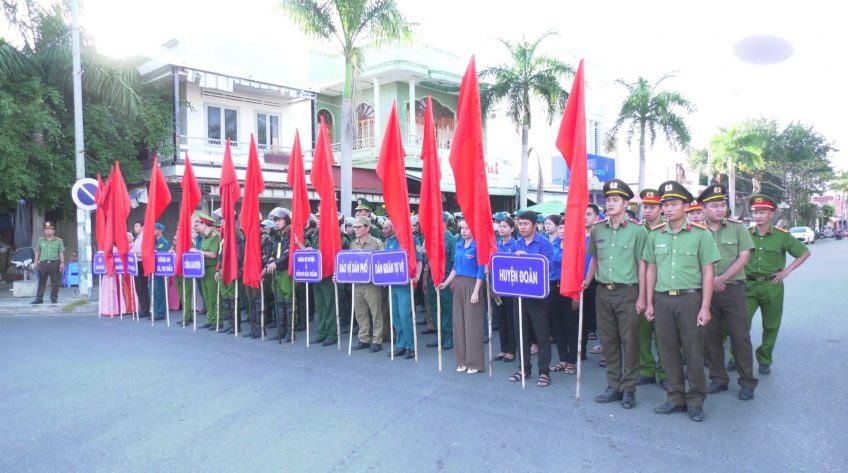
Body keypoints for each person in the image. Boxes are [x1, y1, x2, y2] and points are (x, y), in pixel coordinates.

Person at [643, 180, 721, 422]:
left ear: (686, 206)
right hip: (663, 299)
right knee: (667, 352)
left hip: (690, 300)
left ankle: (695, 400)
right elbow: (651, 270)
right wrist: (649, 302)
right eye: (665, 204)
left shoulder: (701, 234)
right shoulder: (656, 235)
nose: (668, 209)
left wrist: (705, 307)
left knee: (694, 352)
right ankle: (675, 397)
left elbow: (708, 272)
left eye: (673, 204)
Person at [584, 180, 647, 408]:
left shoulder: (638, 230)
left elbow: (642, 263)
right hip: (603, 291)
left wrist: (642, 297)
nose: (609, 204)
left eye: (615, 200)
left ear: (625, 202)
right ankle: (613, 385)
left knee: (629, 342)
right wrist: (587, 280)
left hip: (627, 292)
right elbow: (594, 259)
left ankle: (628, 388)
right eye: (607, 200)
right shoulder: (599, 229)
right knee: (608, 341)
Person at [698, 185, 758, 400]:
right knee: (711, 337)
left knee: (739, 336)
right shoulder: (696, 230)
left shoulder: (737, 228)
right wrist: (711, 282)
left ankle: (747, 381)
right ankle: (718, 378)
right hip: (706, 292)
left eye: (722, 205)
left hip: (733, 290)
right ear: (703, 209)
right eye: (714, 206)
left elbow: (744, 257)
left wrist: (721, 279)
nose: (720, 209)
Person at [740, 194, 810, 375]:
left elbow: (804, 253)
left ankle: (764, 358)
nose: (758, 215)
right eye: (755, 212)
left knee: (771, 326)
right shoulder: (745, 234)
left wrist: (787, 271)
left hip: (772, 286)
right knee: (740, 325)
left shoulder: (782, 237)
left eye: (762, 212)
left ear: (772, 214)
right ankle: (736, 357)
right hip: (748, 286)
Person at [507, 211, 555, 387]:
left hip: (537, 296)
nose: (522, 227)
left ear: (535, 225)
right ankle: (524, 368)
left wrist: (528, 259)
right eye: (520, 224)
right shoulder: (516, 243)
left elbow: (547, 266)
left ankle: (544, 372)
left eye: (526, 224)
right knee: (522, 334)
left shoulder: (544, 243)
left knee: (542, 335)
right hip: (519, 296)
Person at [439, 220, 486, 374]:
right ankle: (462, 361)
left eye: (467, 228)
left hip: (473, 284)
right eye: (462, 228)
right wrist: (445, 283)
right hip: (458, 285)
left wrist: (476, 290)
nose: (464, 231)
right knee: (459, 323)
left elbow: (481, 270)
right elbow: (455, 268)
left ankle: (474, 363)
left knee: (472, 325)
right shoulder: (459, 245)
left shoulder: (478, 246)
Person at [636, 187, 668, 389]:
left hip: (663, 287)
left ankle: (665, 371)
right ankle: (646, 369)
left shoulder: (669, 228)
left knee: (665, 334)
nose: (648, 211)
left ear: (661, 209)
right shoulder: (638, 229)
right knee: (642, 332)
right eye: (645, 207)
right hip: (640, 288)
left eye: (652, 207)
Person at [383, 219, 424, 359]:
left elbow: (419, 261)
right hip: (392, 284)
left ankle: (410, 346)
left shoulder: (413, 240)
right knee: (395, 315)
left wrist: (417, 275)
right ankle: (400, 344)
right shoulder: (390, 241)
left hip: (405, 284)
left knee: (405, 315)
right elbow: (383, 262)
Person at [349, 216, 385, 352]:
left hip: (371, 284)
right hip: (357, 284)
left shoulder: (377, 243)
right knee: (360, 313)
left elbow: (381, 262)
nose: (356, 229)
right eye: (355, 227)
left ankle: (377, 340)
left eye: (359, 227)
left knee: (376, 313)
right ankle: (363, 339)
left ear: (368, 227)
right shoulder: (353, 244)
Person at [424, 211, 456, 350]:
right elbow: (427, 260)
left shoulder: (451, 239)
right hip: (433, 278)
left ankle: (449, 337)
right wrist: (426, 278)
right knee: (435, 307)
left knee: (447, 309)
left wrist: (453, 281)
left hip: (446, 278)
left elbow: (455, 262)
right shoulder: (431, 238)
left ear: (445, 223)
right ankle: (440, 336)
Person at [265, 207, 293, 343]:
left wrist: (276, 262)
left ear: (286, 220)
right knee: (279, 301)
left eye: (280, 220)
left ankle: (290, 332)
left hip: (286, 271)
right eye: (275, 220)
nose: (277, 222)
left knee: (288, 301)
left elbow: (288, 252)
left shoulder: (291, 234)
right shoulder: (277, 235)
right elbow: (274, 251)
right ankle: (281, 331)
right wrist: (270, 260)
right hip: (277, 271)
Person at [492, 216, 516, 362]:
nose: (501, 229)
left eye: (505, 226)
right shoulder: (495, 245)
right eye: (500, 226)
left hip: (511, 289)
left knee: (510, 320)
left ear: (512, 229)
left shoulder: (516, 245)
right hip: (497, 288)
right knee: (500, 319)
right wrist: (492, 286)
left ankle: (512, 350)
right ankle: (503, 349)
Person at [194, 213, 220, 329]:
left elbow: (214, 254)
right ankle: (210, 318)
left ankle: (217, 319)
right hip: (204, 269)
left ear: (205, 224)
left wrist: (198, 252)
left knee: (214, 296)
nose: (197, 226)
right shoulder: (204, 237)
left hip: (212, 269)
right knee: (207, 296)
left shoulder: (215, 236)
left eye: (199, 223)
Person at [32, 221, 65, 305]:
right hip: (43, 263)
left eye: (50, 229)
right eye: (46, 229)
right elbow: (37, 251)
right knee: (42, 282)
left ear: (54, 231)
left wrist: (62, 262)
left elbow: (61, 252)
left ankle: (54, 298)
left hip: (55, 263)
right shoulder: (40, 241)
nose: (47, 231)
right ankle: (39, 298)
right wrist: (35, 262)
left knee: (55, 282)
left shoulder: (59, 241)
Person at [131, 220, 151, 318]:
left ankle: (145, 309)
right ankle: (142, 308)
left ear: (142, 227)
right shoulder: (137, 238)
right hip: (136, 263)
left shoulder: (144, 237)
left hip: (141, 263)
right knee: (138, 287)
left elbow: (146, 252)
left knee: (142, 286)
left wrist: (135, 253)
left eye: (137, 226)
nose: (135, 228)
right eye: (134, 226)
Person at [152, 223, 170, 320]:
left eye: (155, 229)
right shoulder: (153, 241)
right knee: (153, 290)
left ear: (160, 230)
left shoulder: (164, 242)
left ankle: (161, 312)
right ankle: (155, 311)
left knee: (160, 291)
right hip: (153, 269)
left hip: (160, 270)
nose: (153, 230)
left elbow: (162, 255)